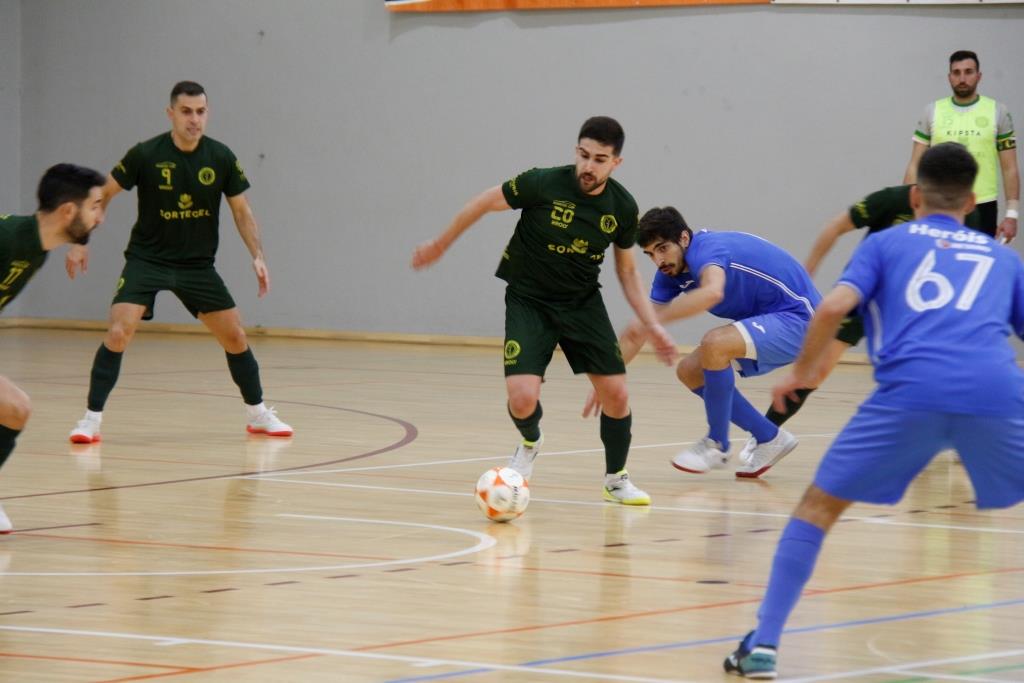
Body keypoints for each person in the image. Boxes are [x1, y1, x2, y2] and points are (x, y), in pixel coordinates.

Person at [725, 142, 1024, 679]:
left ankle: (764, 644)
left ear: (915, 196)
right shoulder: (1002, 259)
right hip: (995, 393)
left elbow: (835, 307)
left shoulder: (887, 243)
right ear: (974, 200)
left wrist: (798, 373)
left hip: (910, 393)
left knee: (816, 511)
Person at [411, 116, 677, 505]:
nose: (588, 166)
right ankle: (530, 442)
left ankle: (616, 479)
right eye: (583, 155)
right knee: (522, 398)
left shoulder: (622, 207)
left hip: (582, 303)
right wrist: (441, 243)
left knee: (617, 393)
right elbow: (486, 202)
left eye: (599, 159)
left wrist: (654, 327)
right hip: (529, 299)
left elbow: (627, 271)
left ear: (615, 162)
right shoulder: (542, 182)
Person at [65, 81, 292, 443]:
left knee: (234, 336)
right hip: (147, 259)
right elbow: (102, 194)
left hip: (196, 266)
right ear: (171, 113)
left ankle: (258, 414)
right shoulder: (145, 154)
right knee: (119, 331)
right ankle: (90, 420)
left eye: (201, 112)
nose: (194, 119)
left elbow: (242, 211)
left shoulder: (220, 157)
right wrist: (80, 240)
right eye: (186, 111)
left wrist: (258, 256)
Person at [597, 209, 822, 479]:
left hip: (804, 321)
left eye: (662, 248)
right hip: (773, 320)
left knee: (715, 343)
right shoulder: (670, 274)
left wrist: (655, 319)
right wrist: (608, 378)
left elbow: (712, 292)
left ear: (683, 238)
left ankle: (717, 444)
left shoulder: (707, 249)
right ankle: (769, 437)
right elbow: (637, 332)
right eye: (650, 254)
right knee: (690, 370)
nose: (658, 260)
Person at [760, 184, 983, 428]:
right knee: (815, 371)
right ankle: (765, 434)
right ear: (917, 193)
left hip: (917, 302)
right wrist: (808, 270)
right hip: (864, 294)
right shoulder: (892, 200)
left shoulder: (967, 216)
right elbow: (836, 226)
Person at [0, 164, 107, 531]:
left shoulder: (35, 250)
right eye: (95, 206)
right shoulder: (9, 237)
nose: (100, 218)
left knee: (14, 410)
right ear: (68, 211)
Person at [903, 50, 1018, 241]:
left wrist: (1012, 215)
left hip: (983, 205)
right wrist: (906, 210)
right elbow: (915, 164)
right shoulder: (932, 111)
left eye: (968, 72)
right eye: (956, 73)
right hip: (938, 204)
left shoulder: (998, 111)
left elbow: (1009, 168)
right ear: (949, 77)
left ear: (978, 76)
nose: (962, 78)